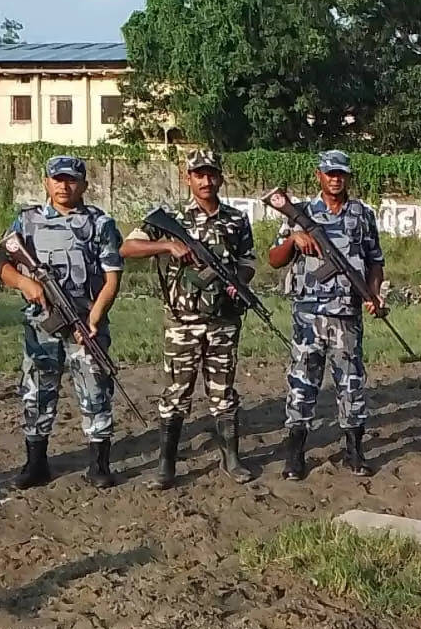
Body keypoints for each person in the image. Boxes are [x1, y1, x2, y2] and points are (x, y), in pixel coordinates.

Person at [120, 150, 256, 490]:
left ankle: (231, 458)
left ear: (221, 177)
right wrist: (167, 245)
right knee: (177, 392)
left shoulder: (236, 219)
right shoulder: (171, 218)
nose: (206, 181)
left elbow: (249, 260)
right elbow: (127, 247)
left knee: (223, 391)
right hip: (182, 320)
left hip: (223, 320)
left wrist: (237, 280)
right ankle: (166, 464)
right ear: (188, 178)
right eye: (199, 174)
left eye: (211, 174)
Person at [0, 156, 125, 489]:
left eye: (71, 180)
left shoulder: (100, 223)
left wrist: (94, 317)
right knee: (37, 392)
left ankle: (99, 464)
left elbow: (112, 277)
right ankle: (36, 464)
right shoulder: (27, 221)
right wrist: (27, 284)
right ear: (46, 182)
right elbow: (1, 263)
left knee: (95, 389)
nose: (63, 186)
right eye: (57, 179)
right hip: (41, 325)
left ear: (83, 184)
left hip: (85, 321)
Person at [268, 150, 385, 480]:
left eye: (341, 173)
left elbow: (375, 259)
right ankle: (295, 452)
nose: (336, 178)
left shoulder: (362, 215)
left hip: (347, 316)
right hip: (308, 317)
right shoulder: (301, 213)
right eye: (330, 173)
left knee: (351, 385)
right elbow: (274, 260)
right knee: (302, 384)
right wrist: (294, 238)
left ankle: (354, 450)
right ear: (319, 175)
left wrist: (372, 293)